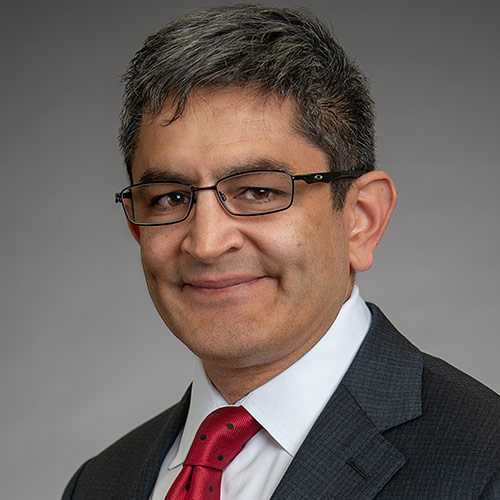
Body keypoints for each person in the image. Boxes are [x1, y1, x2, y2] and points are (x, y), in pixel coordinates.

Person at [63, 5, 500, 499]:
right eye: (171, 197)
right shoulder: (99, 484)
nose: (206, 243)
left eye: (258, 192)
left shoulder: (485, 465)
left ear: (361, 219)